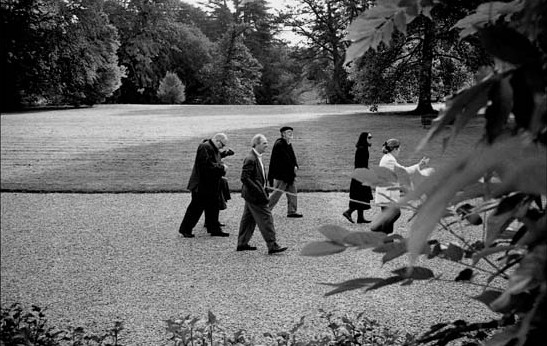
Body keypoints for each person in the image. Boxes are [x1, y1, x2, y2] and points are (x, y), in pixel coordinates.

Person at [237, 134, 288, 254]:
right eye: (264, 143)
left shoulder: (256, 156)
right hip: (255, 196)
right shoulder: (251, 158)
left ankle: (242, 243)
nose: (267, 145)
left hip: (251, 195)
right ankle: (272, 245)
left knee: (248, 219)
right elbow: (245, 178)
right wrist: (260, 192)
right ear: (257, 144)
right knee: (266, 218)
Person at [372, 138, 429, 234]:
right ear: (394, 149)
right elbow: (404, 172)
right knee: (394, 214)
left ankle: (380, 232)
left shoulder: (388, 158)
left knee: (390, 215)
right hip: (387, 193)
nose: (399, 151)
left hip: (386, 192)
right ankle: (380, 232)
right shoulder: (389, 160)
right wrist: (419, 165)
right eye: (398, 149)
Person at [178, 133, 230, 238]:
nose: (222, 147)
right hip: (201, 185)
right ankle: (185, 229)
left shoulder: (210, 147)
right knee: (196, 208)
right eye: (222, 145)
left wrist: (225, 154)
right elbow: (206, 166)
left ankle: (214, 229)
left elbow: (213, 159)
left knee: (213, 207)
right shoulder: (205, 147)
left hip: (209, 184)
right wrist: (222, 168)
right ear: (217, 140)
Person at [267, 126, 302, 218]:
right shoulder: (280, 144)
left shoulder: (288, 143)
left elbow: (292, 157)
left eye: (291, 132)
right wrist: (292, 167)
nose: (291, 133)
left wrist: (295, 165)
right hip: (282, 175)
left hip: (289, 174)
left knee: (293, 191)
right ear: (283, 134)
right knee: (276, 194)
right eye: (288, 132)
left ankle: (292, 211)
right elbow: (284, 160)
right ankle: (266, 210)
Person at [343, 132, 374, 224]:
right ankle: (348, 212)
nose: (370, 139)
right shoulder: (362, 149)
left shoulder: (363, 148)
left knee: (363, 195)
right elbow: (360, 164)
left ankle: (360, 218)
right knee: (361, 195)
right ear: (364, 138)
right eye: (369, 138)